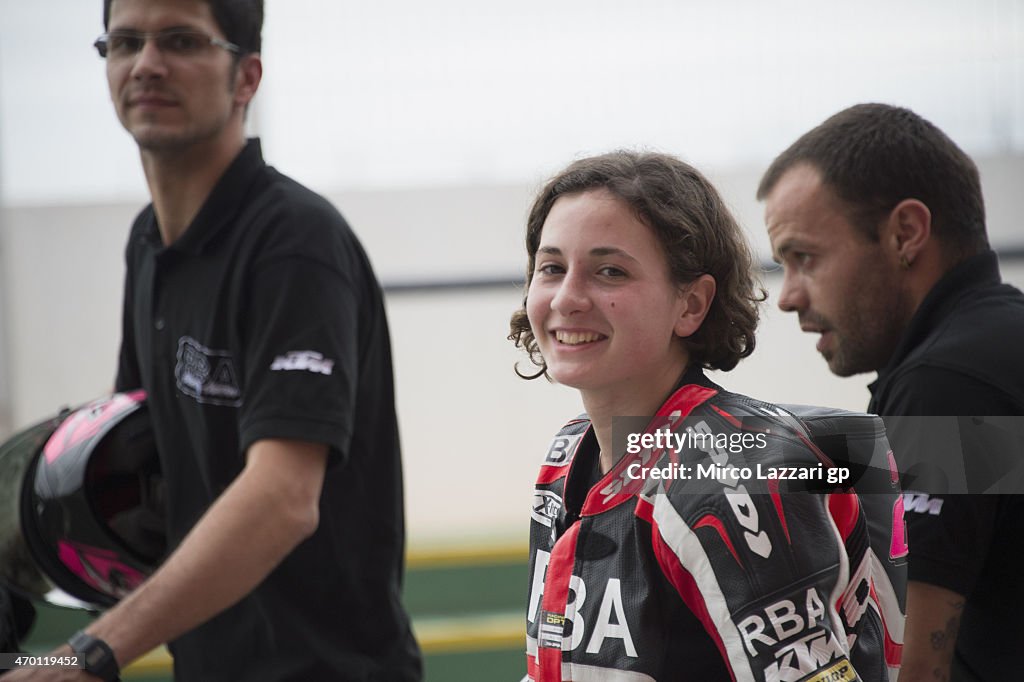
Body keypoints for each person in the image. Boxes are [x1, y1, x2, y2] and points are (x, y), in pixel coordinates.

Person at [1, 0, 421, 680]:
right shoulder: (149, 242)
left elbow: (284, 497)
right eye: (125, 42)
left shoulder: (294, 243)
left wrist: (88, 654)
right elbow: (129, 467)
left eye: (180, 41)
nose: (147, 64)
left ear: (246, 77)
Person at [510, 151, 904, 682]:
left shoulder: (725, 481)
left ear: (691, 305)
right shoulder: (567, 454)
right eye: (552, 267)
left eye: (610, 271)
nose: (568, 297)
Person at [758, 102, 1024, 682]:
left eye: (805, 257)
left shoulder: (946, 383)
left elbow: (915, 666)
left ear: (905, 233)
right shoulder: (995, 349)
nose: (788, 296)